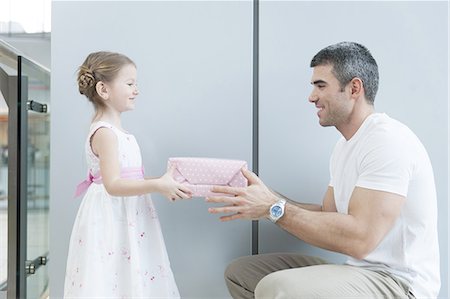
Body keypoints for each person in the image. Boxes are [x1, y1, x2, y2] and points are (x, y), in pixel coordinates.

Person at [207, 42, 440, 299]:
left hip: (398, 284)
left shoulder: (387, 141)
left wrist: (273, 207)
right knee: (242, 274)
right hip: (360, 273)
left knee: (276, 288)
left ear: (354, 88)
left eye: (321, 86)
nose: (312, 97)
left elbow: (360, 240)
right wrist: (265, 198)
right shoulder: (344, 146)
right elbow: (329, 215)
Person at [64, 51, 192, 298]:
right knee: (111, 274)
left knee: (129, 274)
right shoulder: (106, 134)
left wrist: (165, 185)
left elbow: (128, 180)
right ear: (104, 89)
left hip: (129, 213)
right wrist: (157, 184)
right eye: (130, 83)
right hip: (113, 216)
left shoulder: (118, 133)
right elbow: (112, 184)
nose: (137, 90)